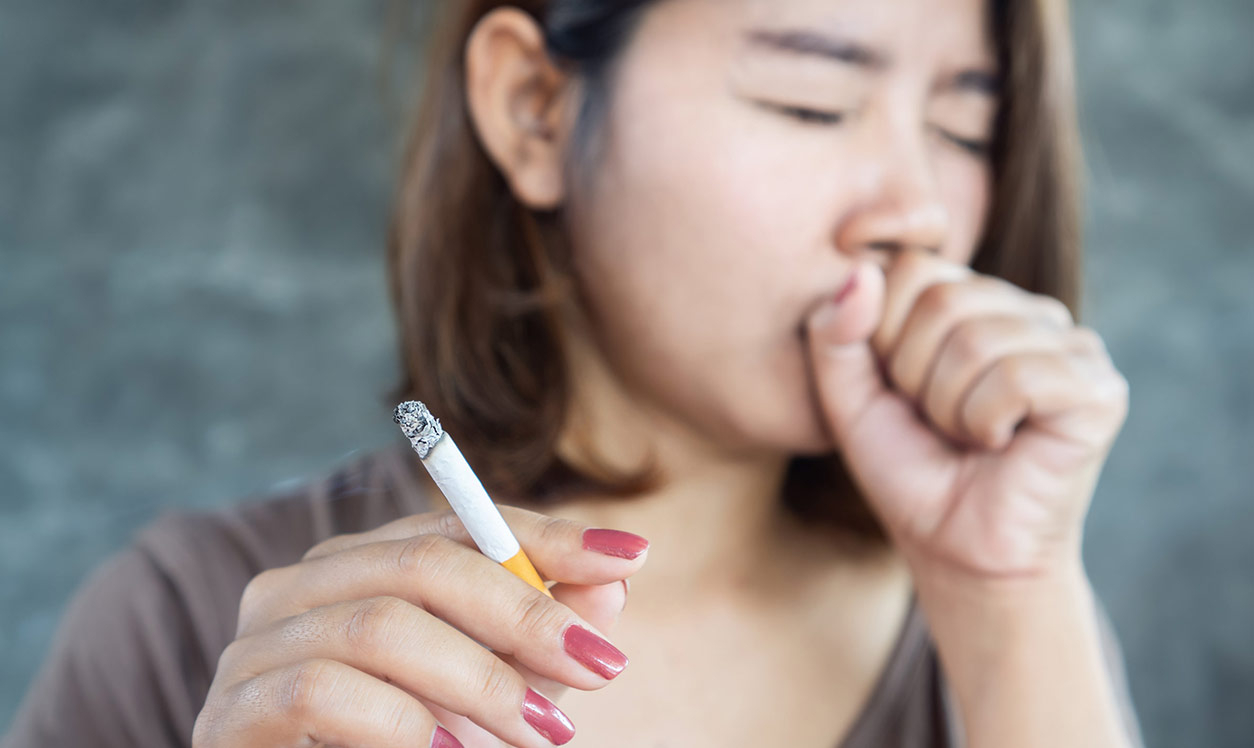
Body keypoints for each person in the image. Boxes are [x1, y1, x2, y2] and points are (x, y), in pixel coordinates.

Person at [4, 0, 1147, 746]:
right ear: (534, 108)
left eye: (964, 127)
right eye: (814, 101)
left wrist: (1009, 601)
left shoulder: (1013, 628)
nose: (915, 212)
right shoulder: (177, 630)